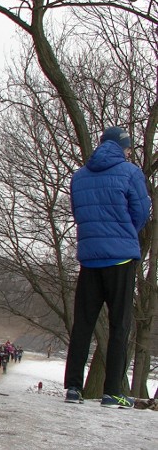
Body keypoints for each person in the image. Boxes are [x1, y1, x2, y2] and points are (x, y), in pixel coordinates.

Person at [64, 126, 150, 408]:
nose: (129, 152)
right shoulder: (130, 172)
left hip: (90, 258)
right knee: (119, 324)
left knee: (83, 325)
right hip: (121, 258)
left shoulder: (79, 175)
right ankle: (112, 392)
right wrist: (124, 234)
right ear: (123, 147)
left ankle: (74, 388)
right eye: (129, 147)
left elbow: (79, 213)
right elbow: (141, 212)